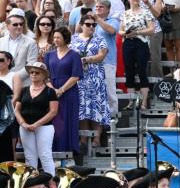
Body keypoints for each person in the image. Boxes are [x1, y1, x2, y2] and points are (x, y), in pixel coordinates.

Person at [72, 16, 111, 152]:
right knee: (82, 107)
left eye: (94, 25)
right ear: (81, 25)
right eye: (88, 24)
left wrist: (86, 59)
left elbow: (102, 55)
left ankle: (97, 138)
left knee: (96, 106)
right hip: (79, 78)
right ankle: (83, 138)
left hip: (95, 78)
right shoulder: (73, 39)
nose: (91, 27)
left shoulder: (100, 39)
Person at [43, 27, 82, 160]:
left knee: (67, 119)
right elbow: (45, 75)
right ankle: (53, 149)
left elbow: (76, 76)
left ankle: (68, 150)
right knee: (54, 120)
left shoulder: (74, 55)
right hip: (52, 91)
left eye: (58, 37)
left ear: (65, 39)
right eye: (54, 38)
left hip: (69, 92)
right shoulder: (48, 55)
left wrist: (62, 90)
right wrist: (53, 90)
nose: (55, 40)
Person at [15, 61, 58, 174]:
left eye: (37, 72)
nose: (33, 74)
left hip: (44, 127)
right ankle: (32, 183)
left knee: (45, 155)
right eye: (31, 72)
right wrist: (23, 124)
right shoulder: (24, 90)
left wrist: (36, 124)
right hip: (25, 127)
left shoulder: (50, 91)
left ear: (44, 75)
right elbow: (17, 110)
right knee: (29, 156)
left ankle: (51, 181)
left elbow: (53, 112)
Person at [119, 0, 156, 110]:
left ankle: (144, 102)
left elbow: (152, 29)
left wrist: (138, 32)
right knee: (129, 72)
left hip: (141, 43)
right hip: (128, 43)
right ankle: (131, 101)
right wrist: (125, 33)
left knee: (142, 71)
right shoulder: (125, 13)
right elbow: (120, 29)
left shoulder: (145, 12)